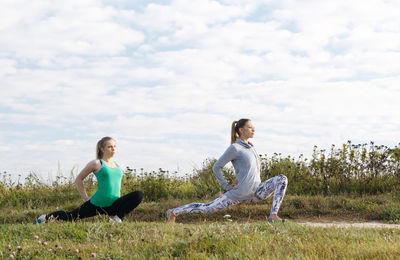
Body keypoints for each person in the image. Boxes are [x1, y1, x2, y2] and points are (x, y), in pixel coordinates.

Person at [166, 119, 288, 223]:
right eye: (250, 127)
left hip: (256, 193)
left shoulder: (251, 148)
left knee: (282, 179)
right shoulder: (235, 148)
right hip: (237, 194)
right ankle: (173, 212)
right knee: (206, 208)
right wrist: (226, 185)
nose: (253, 130)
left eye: (253, 128)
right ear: (241, 130)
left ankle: (273, 215)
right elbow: (216, 167)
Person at [34, 137, 143, 224]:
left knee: (138, 195)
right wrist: (85, 197)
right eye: (110, 146)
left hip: (114, 204)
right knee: (70, 217)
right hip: (97, 203)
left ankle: (116, 218)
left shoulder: (117, 165)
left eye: (114, 146)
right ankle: (44, 218)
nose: (113, 149)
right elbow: (78, 179)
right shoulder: (96, 163)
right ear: (102, 149)